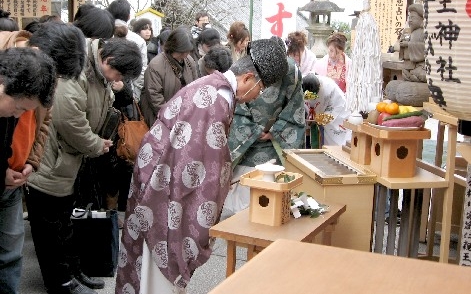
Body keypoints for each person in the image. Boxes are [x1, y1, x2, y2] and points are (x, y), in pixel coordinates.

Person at [115, 37, 288, 294]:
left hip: (156, 176)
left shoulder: (211, 86)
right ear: (248, 78)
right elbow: (205, 166)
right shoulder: (216, 101)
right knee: (157, 265)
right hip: (162, 189)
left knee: (146, 262)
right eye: (260, 90)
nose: (256, 97)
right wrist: (228, 177)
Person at [25, 38, 142, 294]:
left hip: (71, 159)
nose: (115, 80)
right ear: (107, 60)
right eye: (117, 74)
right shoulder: (77, 70)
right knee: (51, 230)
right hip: (53, 160)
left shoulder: (97, 72)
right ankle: (60, 283)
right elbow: (70, 121)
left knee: (67, 224)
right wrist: (96, 144)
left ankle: (73, 272)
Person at [226, 37, 305, 213]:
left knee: (267, 198)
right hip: (243, 141)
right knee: (237, 200)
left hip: (273, 144)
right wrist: (250, 128)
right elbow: (236, 99)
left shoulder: (291, 72)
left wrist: (276, 130)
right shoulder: (247, 66)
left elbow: (296, 108)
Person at [0, 47, 56, 294]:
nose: (20, 115)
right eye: (20, 108)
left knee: (11, 251)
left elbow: (41, 128)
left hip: (11, 186)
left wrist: (30, 162)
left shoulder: (17, 102)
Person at [140, 28, 199, 127]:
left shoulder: (189, 61)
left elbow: (195, 85)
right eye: (181, 52)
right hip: (161, 115)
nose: (185, 55)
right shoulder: (156, 65)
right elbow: (155, 98)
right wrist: (171, 118)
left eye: (187, 52)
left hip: (182, 113)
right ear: (173, 48)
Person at [107, 0, 148, 102]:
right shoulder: (138, 40)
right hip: (128, 93)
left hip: (104, 93)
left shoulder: (102, 36)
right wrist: (135, 95)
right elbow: (142, 71)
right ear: (129, 16)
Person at [302, 73, 350, 147]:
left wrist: (322, 118)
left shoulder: (330, 86)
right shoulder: (299, 83)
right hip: (309, 116)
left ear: (320, 86)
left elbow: (338, 105)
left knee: (334, 137)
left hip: (330, 115)